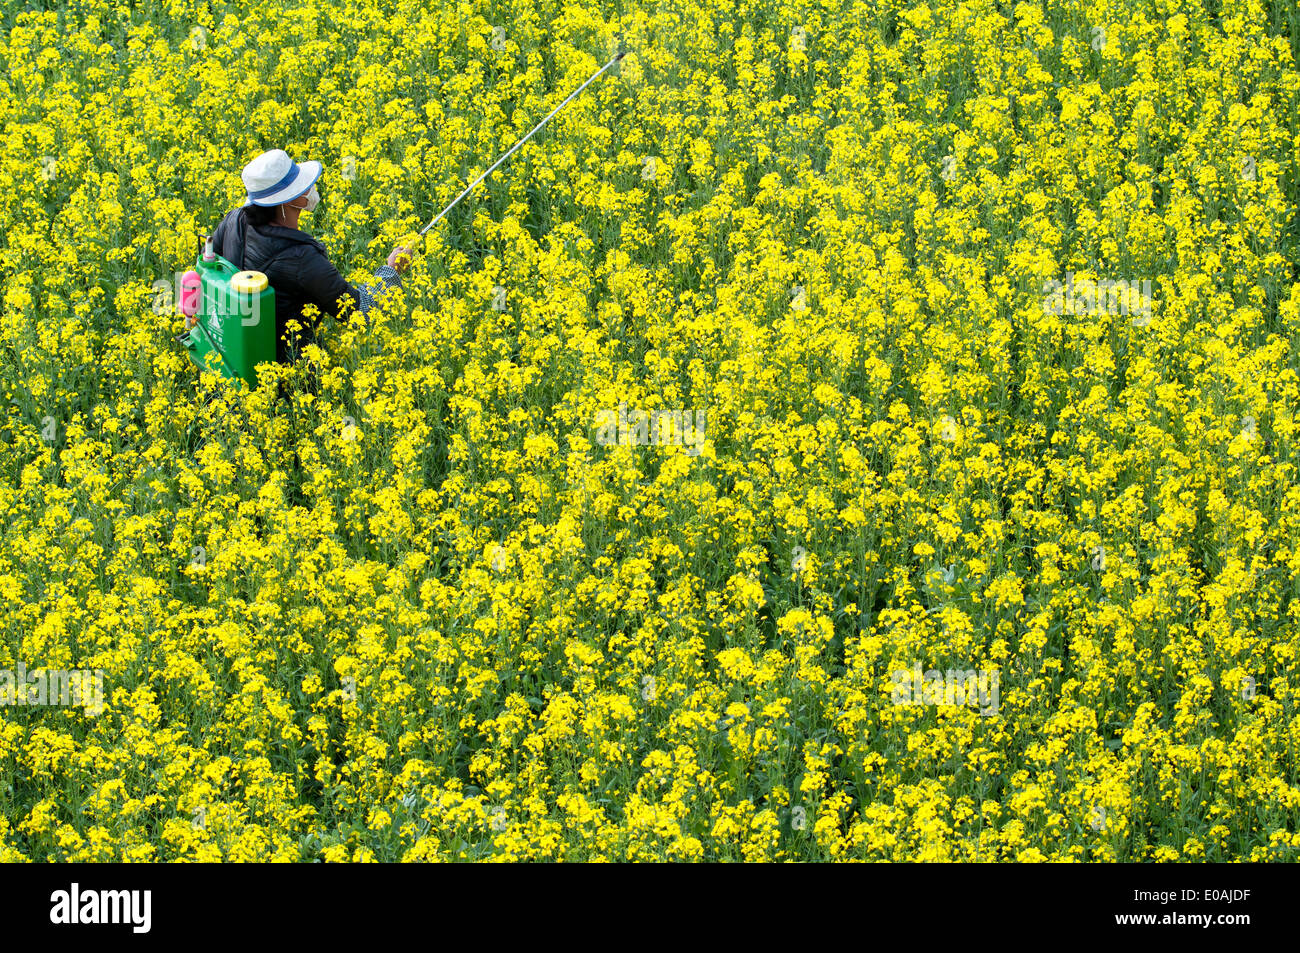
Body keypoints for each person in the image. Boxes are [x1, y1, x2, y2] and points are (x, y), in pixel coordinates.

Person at [209, 149, 414, 363]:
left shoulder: (234, 220)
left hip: (232, 349)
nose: (309, 188)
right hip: (286, 366)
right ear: (287, 200)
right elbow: (357, 311)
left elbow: (209, 267)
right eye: (301, 186)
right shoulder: (301, 258)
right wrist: (392, 271)